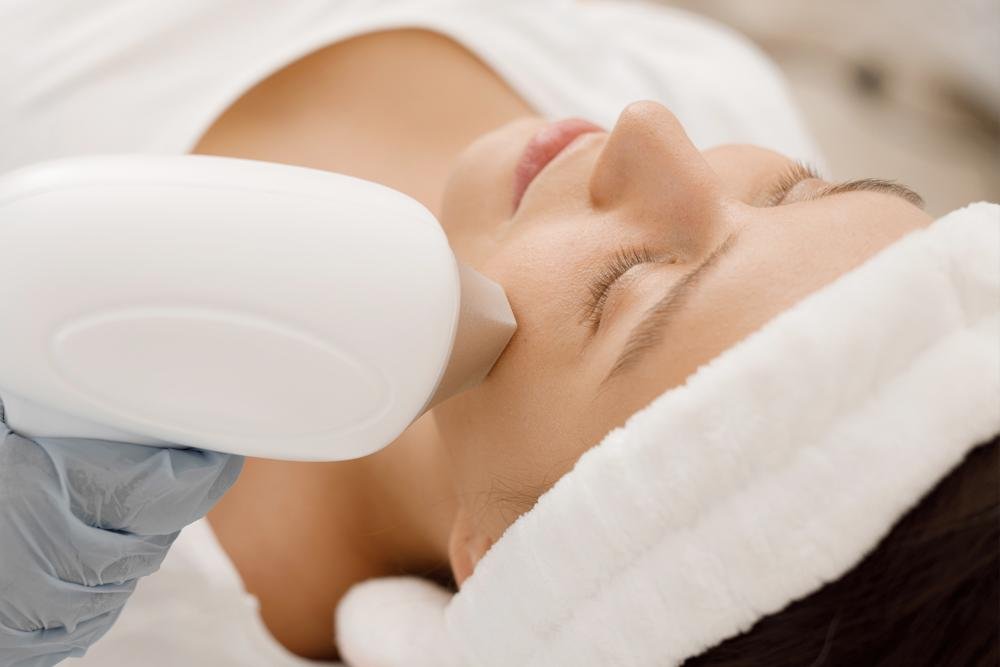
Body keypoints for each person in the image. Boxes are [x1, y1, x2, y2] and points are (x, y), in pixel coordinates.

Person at [0, 1, 995, 665]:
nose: (652, 132)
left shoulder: (103, 599)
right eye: (798, 191)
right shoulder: (704, 83)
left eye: (627, 284)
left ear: (508, 552)